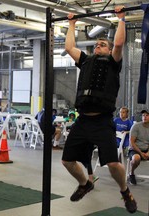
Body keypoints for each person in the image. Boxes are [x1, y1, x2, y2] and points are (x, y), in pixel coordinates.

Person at [61, 6, 137, 214]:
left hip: (102, 121)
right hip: (83, 120)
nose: (98, 46)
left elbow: (119, 43)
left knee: (113, 164)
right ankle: (86, 184)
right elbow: (69, 47)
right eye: (96, 44)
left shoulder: (114, 62)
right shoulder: (85, 61)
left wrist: (121, 19)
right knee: (67, 161)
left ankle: (124, 191)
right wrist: (72, 24)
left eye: (102, 44)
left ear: (109, 49)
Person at [128, 109, 149, 185]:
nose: (144, 117)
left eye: (147, 115)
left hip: (146, 149)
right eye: (143, 115)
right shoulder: (136, 126)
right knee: (136, 158)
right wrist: (141, 153)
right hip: (135, 149)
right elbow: (132, 142)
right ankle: (131, 173)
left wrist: (148, 153)